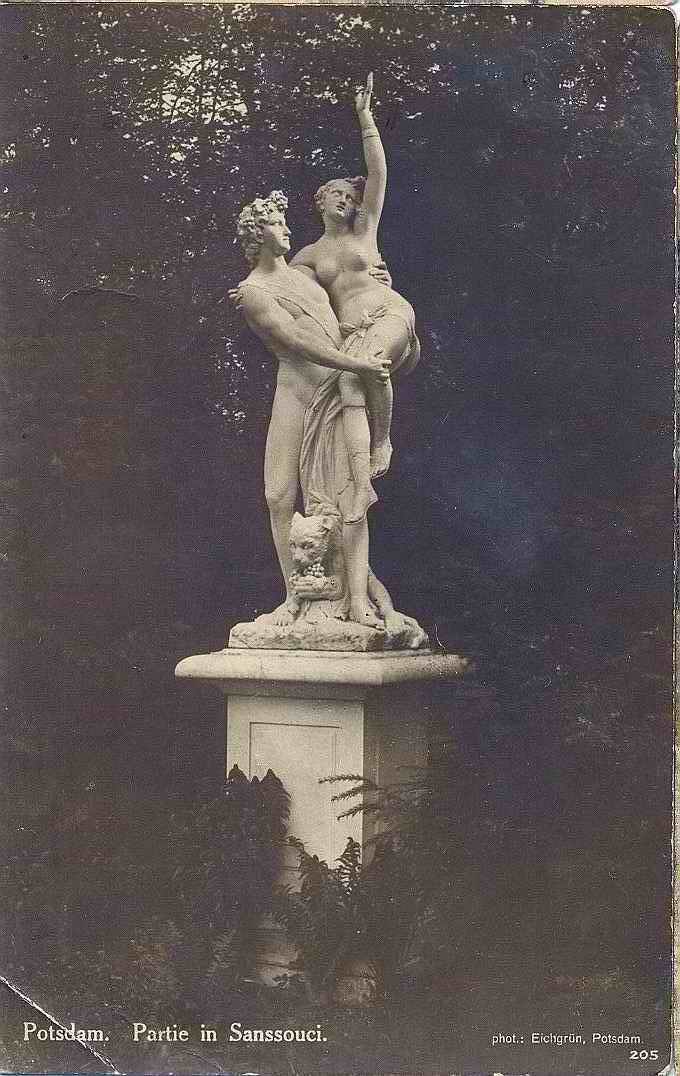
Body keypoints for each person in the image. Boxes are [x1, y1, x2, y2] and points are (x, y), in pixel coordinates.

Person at [233, 190, 394, 630]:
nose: (287, 229)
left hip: (335, 391)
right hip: (298, 394)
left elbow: (352, 291)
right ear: (257, 235)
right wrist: (355, 364)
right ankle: (294, 594)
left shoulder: (305, 274)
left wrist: (380, 280)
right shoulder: (252, 292)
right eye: (276, 223)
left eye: (284, 221)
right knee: (278, 495)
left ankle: (356, 598)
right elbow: (297, 340)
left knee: (347, 497)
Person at [290, 73, 420, 500]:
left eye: (350, 195)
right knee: (349, 382)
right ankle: (359, 487)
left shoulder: (365, 231)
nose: (346, 199)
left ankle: (383, 441)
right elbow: (288, 294)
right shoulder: (308, 255)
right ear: (321, 200)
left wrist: (365, 118)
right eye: (338, 194)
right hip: (350, 333)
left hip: (388, 312)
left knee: (370, 365)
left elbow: (378, 171)